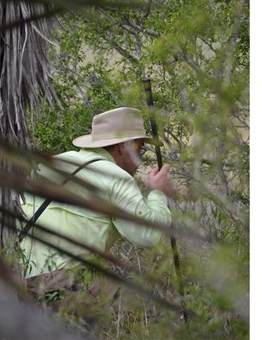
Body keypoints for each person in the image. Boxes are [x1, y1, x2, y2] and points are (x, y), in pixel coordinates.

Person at [18, 107, 174, 296]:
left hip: (20, 277)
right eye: (139, 148)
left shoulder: (53, 163)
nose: (140, 158)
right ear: (123, 147)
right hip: (67, 280)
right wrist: (158, 194)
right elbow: (147, 235)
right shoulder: (114, 176)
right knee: (133, 299)